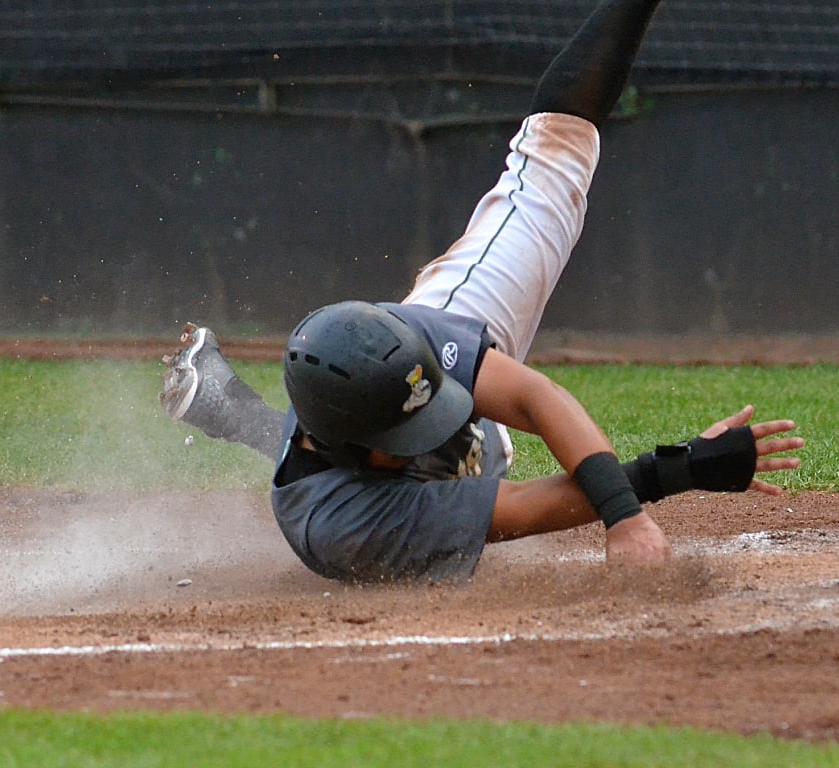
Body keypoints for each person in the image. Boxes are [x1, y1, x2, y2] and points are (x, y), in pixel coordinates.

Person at [161, 0, 804, 584]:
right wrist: (683, 468)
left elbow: (531, 395)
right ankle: (229, 408)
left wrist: (627, 510)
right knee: (481, 451)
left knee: (554, 157)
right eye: (402, 429)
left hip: (421, 349)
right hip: (393, 507)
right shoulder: (342, 523)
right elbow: (525, 505)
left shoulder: (400, 338)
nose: (435, 413)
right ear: (350, 449)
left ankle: (221, 402)